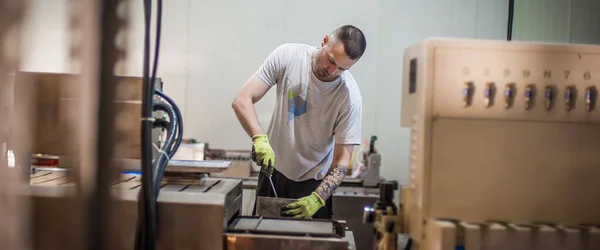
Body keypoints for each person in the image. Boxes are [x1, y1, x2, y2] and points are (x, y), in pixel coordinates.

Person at [232, 25, 366, 219]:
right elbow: (242, 99)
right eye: (331, 61)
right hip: (273, 175)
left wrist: (318, 199)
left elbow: (342, 162)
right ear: (325, 40)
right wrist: (259, 138)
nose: (333, 71)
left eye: (342, 68)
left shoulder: (349, 97)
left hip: (314, 186)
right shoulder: (289, 56)